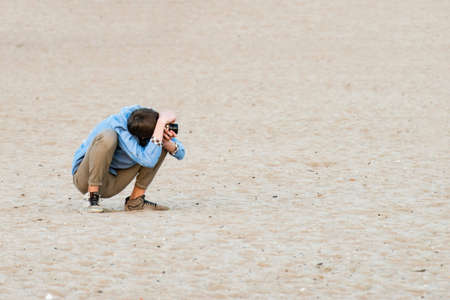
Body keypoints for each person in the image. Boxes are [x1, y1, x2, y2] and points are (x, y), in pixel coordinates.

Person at [71, 105, 185, 213]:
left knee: (157, 143)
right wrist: (160, 126)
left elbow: (181, 153)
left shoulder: (152, 120)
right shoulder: (120, 125)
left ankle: (135, 201)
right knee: (108, 137)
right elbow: (148, 160)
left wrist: (164, 137)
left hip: (112, 182)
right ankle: (92, 198)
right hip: (85, 178)